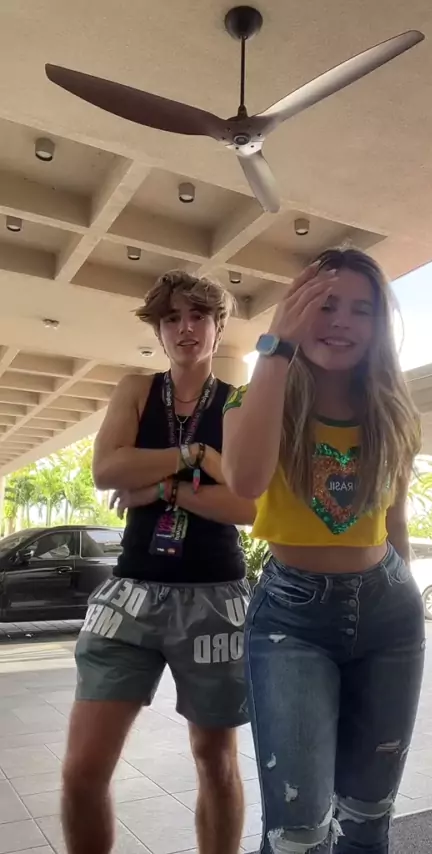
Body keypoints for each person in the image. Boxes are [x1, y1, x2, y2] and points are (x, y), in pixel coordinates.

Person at [222, 247, 425, 854]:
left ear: (379, 324)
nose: (341, 322)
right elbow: (246, 481)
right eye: (325, 304)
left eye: (362, 309)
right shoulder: (256, 398)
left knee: (368, 818)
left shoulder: (391, 410)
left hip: (390, 613)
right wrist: (276, 348)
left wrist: (408, 595)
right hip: (292, 620)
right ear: (295, 309)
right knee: (298, 832)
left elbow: (394, 520)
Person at [61, 271, 255, 854]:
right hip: (131, 592)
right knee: (82, 770)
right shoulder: (136, 390)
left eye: (198, 316)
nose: (185, 328)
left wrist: (162, 488)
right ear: (159, 331)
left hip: (215, 594)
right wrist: (196, 457)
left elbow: (248, 505)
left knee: (214, 759)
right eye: (172, 318)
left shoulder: (240, 402)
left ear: (218, 327)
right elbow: (106, 470)